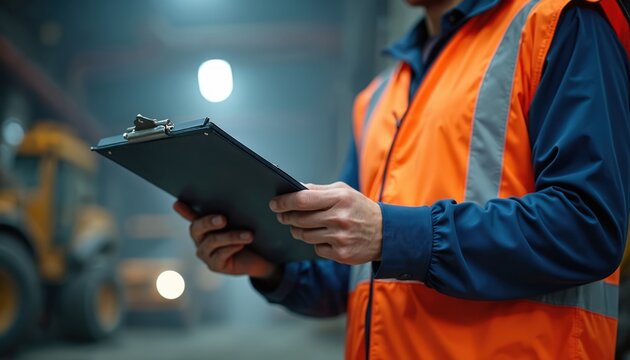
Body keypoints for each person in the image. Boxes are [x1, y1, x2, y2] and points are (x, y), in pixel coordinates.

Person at [174, 0, 630, 357]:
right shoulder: (378, 96)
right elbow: (346, 277)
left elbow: (588, 225)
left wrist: (392, 235)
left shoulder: (559, 23)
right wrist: (270, 266)